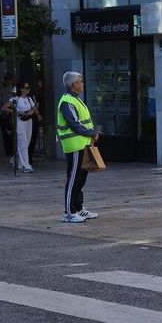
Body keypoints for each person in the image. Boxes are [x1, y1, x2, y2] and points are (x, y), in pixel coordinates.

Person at [56, 71, 101, 222]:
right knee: (74, 178)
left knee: (81, 179)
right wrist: (91, 133)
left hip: (83, 144)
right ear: (74, 85)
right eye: (81, 81)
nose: (83, 84)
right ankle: (68, 212)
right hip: (75, 145)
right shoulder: (67, 101)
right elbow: (74, 124)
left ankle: (78, 208)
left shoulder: (75, 99)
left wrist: (90, 135)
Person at [7, 82, 40, 172]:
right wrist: (16, 111)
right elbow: (5, 108)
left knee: (26, 143)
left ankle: (17, 162)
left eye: (29, 88)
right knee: (23, 143)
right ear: (21, 89)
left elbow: (35, 110)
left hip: (28, 121)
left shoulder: (29, 99)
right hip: (20, 122)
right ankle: (27, 166)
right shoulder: (15, 98)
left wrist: (31, 112)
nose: (28, 89)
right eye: (26, 87)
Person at [0, 75, 16, 160]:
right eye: (8, 80)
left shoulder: (15, 90)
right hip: (5, 112)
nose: (9, 82)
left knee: (15, 132)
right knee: (6, 133)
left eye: (10, 80)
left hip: (14, 111)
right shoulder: (1, 91)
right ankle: (9, 151)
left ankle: (14, 150)